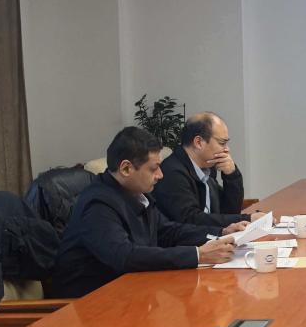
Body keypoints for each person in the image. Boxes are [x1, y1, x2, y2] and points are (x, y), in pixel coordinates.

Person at [51, 127, 235, 297]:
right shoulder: (97, 205)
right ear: (126, 168)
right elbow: (125, 256)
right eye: (153, 168)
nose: (160, 175)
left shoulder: (136, 193)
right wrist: (198, 255)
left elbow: (168, 231)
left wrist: (221, 232)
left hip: (131, 291)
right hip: (90, 304)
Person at [155, 112, 251, 230]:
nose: (227, 149)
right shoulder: (173, 173)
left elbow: (228, 212)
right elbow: (192, 220)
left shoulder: (207, 169)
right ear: (198, 142)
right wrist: (247, 218)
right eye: (222, 143)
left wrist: (231, 175)